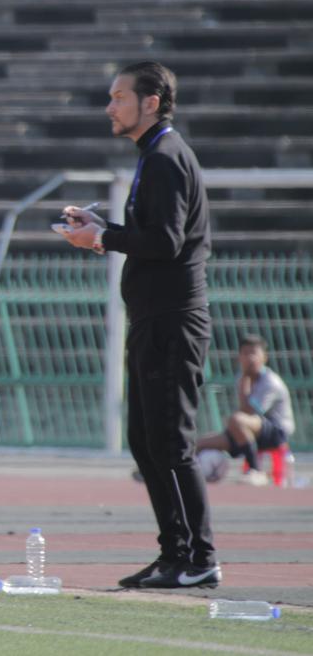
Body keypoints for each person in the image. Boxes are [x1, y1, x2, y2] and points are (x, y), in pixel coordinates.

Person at [62, 60, 219, 589]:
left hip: (173, 321)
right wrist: (103, 228)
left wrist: (103, 239)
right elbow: (154, 235)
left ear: (150, 102)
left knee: (170, 443)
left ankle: (199, 558)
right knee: (146, 441)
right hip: (154, 320)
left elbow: (168, 242)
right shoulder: (154, 156)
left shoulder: (167, 157)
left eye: (119, 97)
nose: (110, 106)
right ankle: (174, 554)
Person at [196, 335, 294, 485]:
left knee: (236, 419)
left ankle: (256, 471)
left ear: (264, 357)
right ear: (239, 357)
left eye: (254, 353)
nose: (250, 358)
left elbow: (250, 412)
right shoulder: (241, 378)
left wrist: (245, 385)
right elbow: (243, 414)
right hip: (248, 430)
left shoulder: (270, 382)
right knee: (200, 442)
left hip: (276, 431)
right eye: (245, 353)